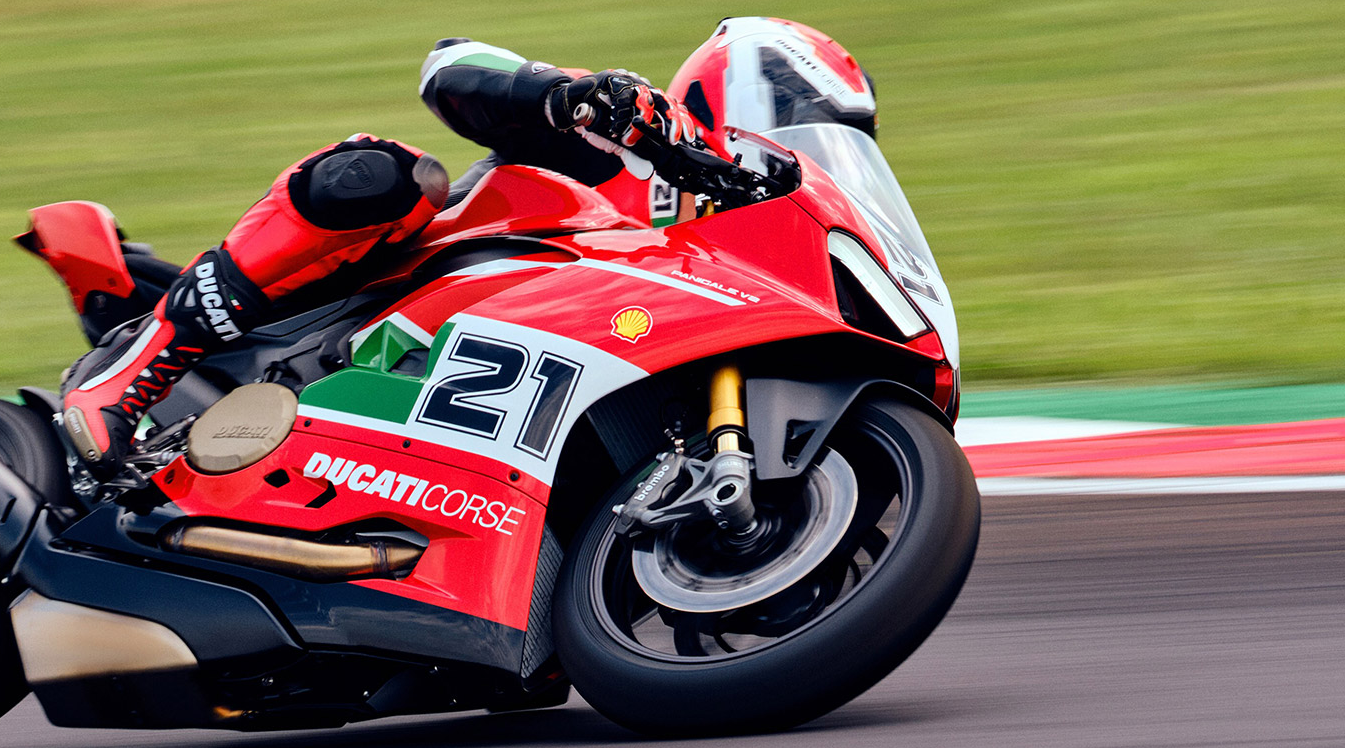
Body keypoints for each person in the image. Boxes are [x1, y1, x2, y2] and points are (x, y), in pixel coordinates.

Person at [57, 26, 869, 474]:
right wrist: (567, 97)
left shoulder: (749, 265)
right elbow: (451, 62)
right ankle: (140, 367)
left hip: (486, 430)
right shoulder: (616, 133)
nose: (821, 147)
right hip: (360, 311)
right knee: (388, 173)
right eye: (812, 118)